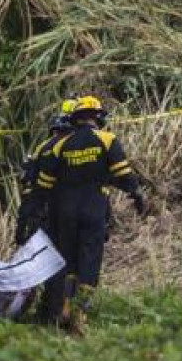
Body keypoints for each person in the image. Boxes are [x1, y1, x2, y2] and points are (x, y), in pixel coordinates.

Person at [34, 95, 148, 333]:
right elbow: (123, 174)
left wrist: (35, 211)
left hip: (64, 213)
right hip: (94, 211)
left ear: (74, 119)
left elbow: (44, 182)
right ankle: (80, 315)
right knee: (89, 263)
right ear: (98, 117)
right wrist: (137, 195)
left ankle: (64, 308)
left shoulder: (60, 144)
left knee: (68, 262)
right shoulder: (107, 140)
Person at [15, 100, 77, 247]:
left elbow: (29, 183)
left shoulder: (44, 148)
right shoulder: (84, 144)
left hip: (45, 209)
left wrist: (21, 230)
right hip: (71, 210)